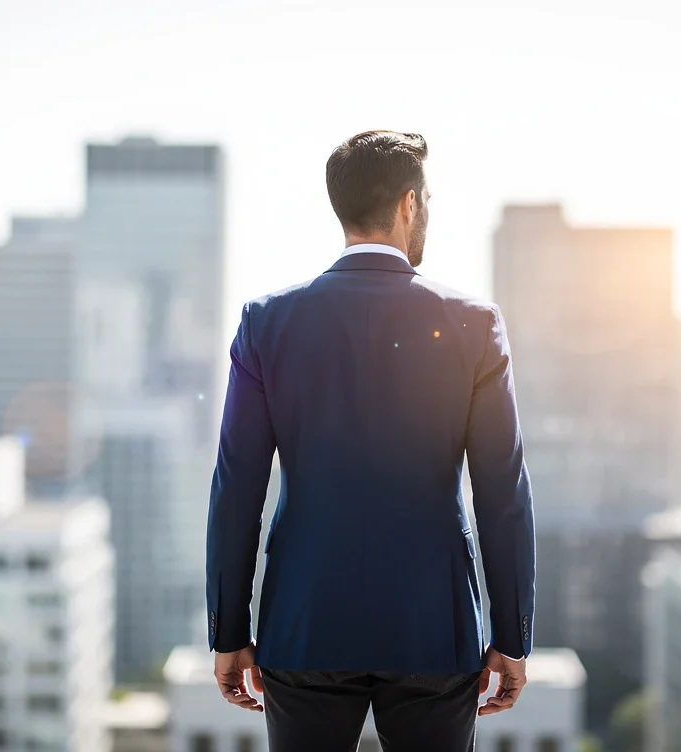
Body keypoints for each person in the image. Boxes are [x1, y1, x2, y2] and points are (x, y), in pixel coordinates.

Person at [206, 130, 536, 751]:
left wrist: (228, 630)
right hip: (433, 629)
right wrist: (513, 636)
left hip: (305, 624)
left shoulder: (265, 323)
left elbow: (236, 491)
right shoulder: (474, 323)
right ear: (410, 204)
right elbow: (503, 493)